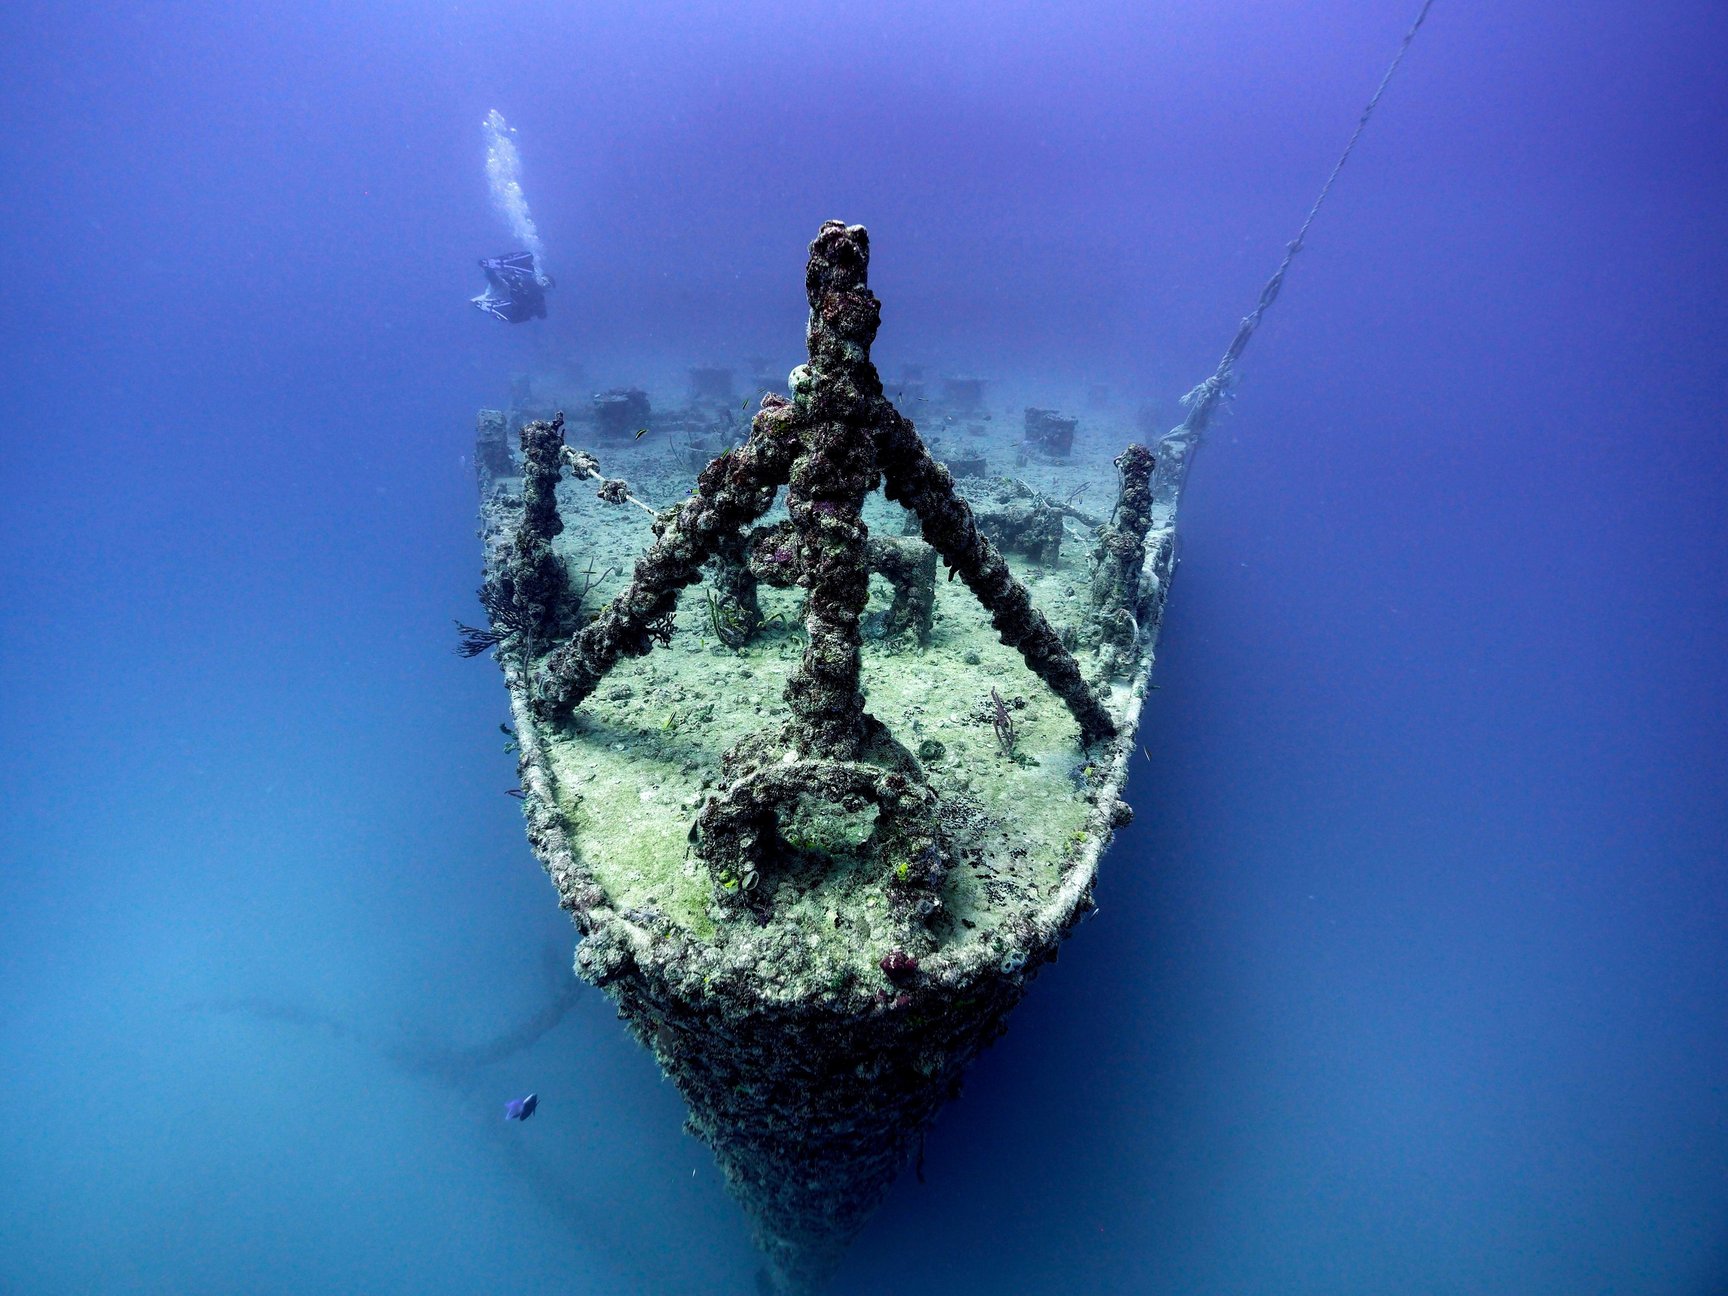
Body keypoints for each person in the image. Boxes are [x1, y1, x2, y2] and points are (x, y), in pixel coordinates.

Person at [472, 251, 551, 323]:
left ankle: (489, 305)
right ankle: (490, 266)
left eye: (548, 285)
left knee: (524, 312)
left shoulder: (539, 298)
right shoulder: (531, 281)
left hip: (503, 299)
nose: (545, 284)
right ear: (540, 277)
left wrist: (538, 306)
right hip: (503, 288)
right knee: (529, 264)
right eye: (544, 281)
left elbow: (542, 315)